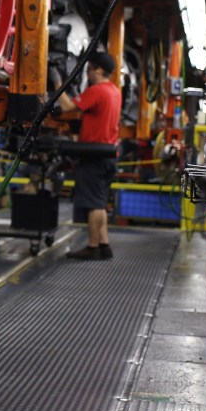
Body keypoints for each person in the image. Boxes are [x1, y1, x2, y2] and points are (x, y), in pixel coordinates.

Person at [58, 51, 122, 260]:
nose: (87, 73)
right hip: (108, 154)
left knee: (93, 204)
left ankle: (92, 247)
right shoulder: (114, 91)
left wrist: (58, 83)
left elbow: (67, 107)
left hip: (94, 154)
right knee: (100, 201)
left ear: (99, 70)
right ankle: (104, 245)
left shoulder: (98, 91)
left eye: (89, 69)